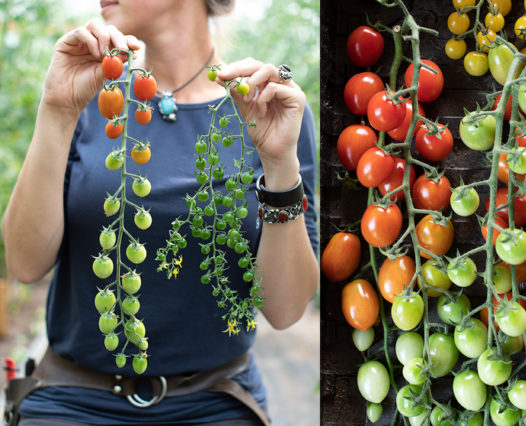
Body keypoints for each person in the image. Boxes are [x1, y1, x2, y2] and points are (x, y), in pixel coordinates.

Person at [1, 0, 319, 424]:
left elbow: (284, 310)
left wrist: (280, 166)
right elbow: (24, 264)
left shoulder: (266, 108)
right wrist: (57, 110)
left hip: (214, 403)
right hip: (71, 401)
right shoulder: (89, 94)